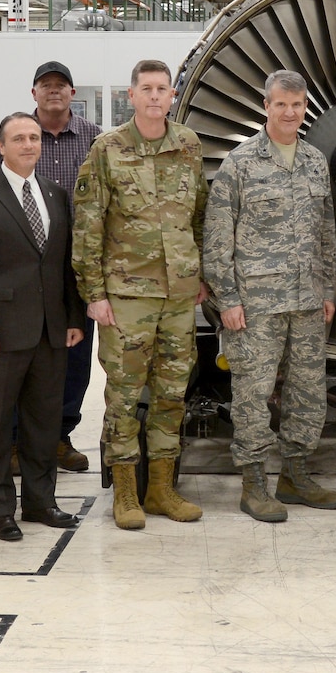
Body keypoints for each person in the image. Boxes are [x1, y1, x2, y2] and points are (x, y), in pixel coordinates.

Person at [72, 59, 210, 530]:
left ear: (172, 96)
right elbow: (88, 225)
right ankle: (126, 492)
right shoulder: (107, 149)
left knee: (172, 393)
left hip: (178, 295)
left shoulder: (188, 145)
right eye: (146, 89)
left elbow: (198, 216)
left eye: (162, 89)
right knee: (124, 396)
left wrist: (198, 274)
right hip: (126, 295)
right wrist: (94, 292)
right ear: (130, 96)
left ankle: (161, 489)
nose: (155, 96)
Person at [203, 69, 336, 524]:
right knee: (252, 394)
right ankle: (254, 483)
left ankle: (295, 475)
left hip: (306, 300)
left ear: (305, 108)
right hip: (256, 305)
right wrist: (228, 300)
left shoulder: (316, 161)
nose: (289, 112)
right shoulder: (240, 164)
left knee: (307, 392)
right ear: (267, 106)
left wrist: (328, 290)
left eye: (297, 105)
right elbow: (217, 239)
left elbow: (326, 232)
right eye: (281, 104)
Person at [0, 113, 85, 542]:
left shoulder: (54, 193)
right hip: (0, 334)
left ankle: (40, 502)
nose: (29, 144)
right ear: (2, 146)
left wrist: (72, 319)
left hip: (50, 333)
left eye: (33, 137)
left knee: (43, 422)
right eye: (19, 138)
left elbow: (65, 265)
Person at [0, 61, 102, 474]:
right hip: (19, 272)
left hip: (77, 267)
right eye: (45, 85)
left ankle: (60, 436)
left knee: (74, 357)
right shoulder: (13, 134)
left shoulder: (93, 138)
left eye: (61, 85)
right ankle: (17, 441)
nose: (54, 91)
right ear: (33, 93)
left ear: (72, 92)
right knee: (22, 358)